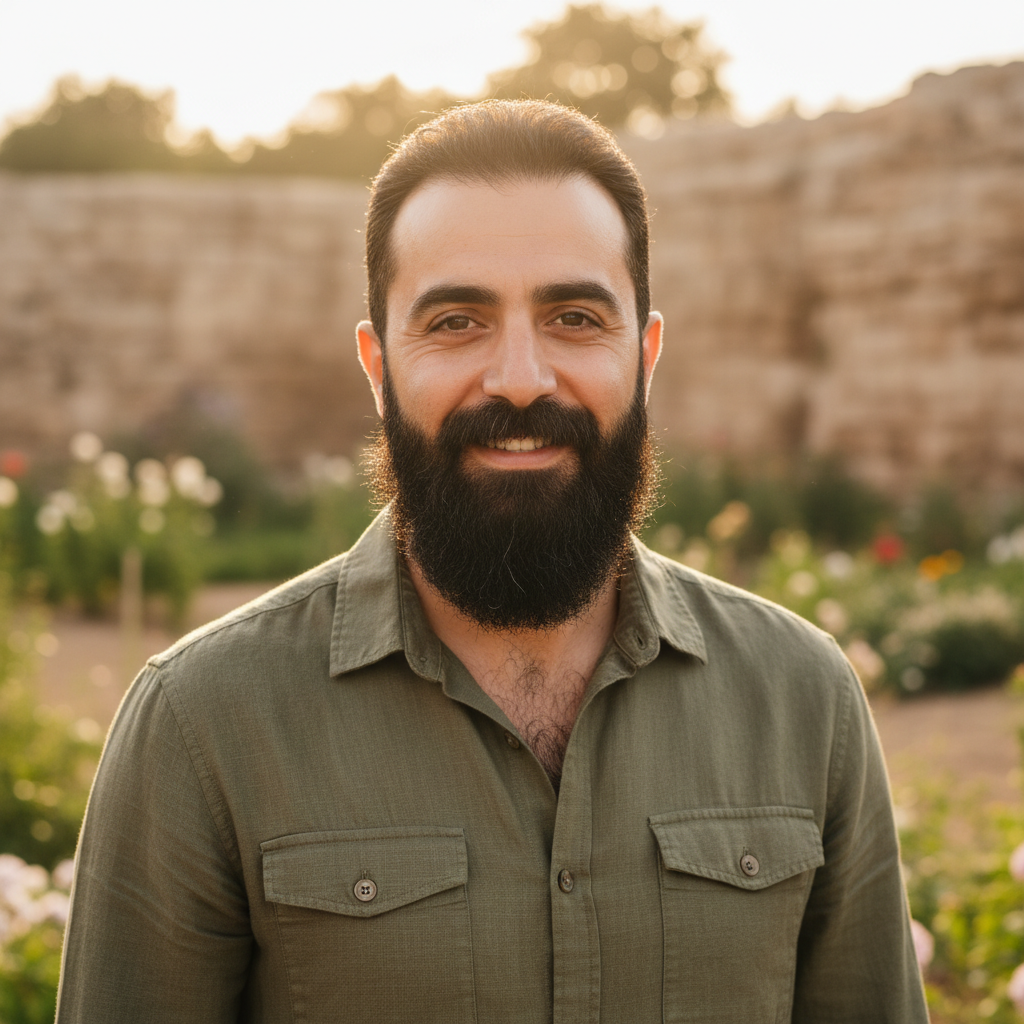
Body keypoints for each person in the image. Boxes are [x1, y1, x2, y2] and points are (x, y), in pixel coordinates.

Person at [56, 100, 927, 1023]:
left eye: (575, 317)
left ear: (646, 355)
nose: (519, 378)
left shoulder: (805, 702)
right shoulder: (202, 725)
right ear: (378, 367)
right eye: (456, 321)